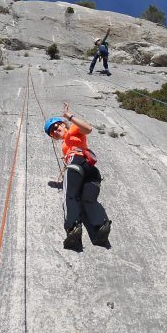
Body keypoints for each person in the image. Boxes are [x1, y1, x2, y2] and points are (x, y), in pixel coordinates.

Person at [44, 103, 111, 250]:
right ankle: (101, 227)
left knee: (70, 196)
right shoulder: (64, 146)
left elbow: (88, 129)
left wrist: (70, 117)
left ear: (63, 124)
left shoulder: (73, 130)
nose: (56, 131)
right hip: (91, 170)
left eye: (57, 126)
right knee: (89, 200)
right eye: (52, 132)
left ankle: (73, 228)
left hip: (77, 162)